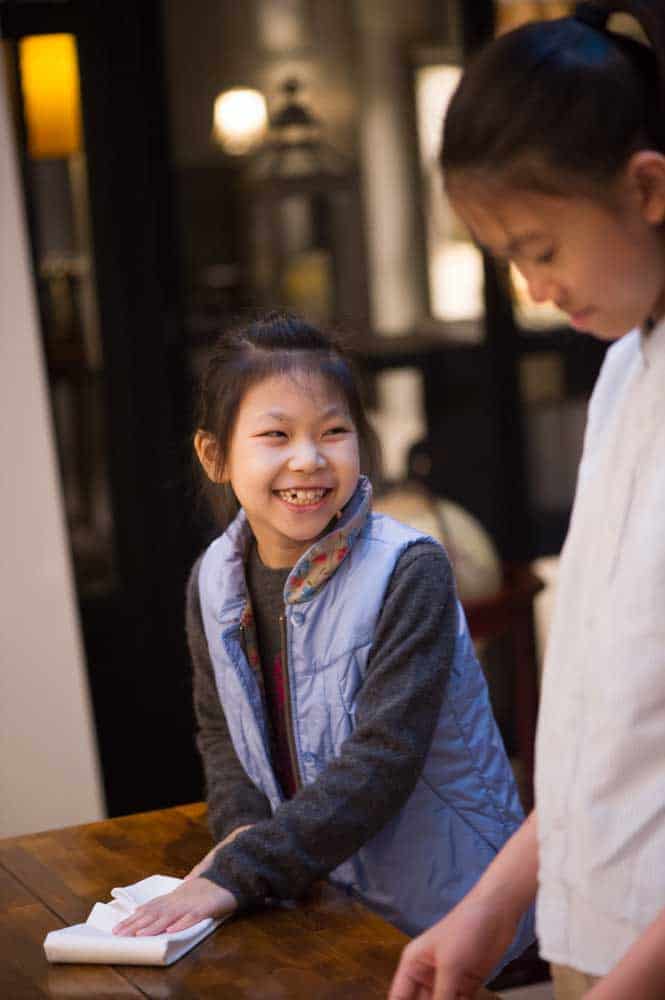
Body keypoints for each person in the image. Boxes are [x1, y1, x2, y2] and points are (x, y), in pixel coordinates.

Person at [114, 311, 532, 979]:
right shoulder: (212, 580)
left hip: (448, 911)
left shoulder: (408, 569)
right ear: (215, 456)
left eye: (333, 432)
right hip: (317, 900)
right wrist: (241, 836)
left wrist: (239, 871)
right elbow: (221, 735)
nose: (308, 458)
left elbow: (383, 760)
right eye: (276, 435)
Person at [389, 2, 665, 999]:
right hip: (590, 936)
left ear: (645, 188)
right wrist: (492, 906)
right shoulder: (625, 369)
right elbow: (605, 719)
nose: (534, 288)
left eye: (540, 248)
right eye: (510, 259)